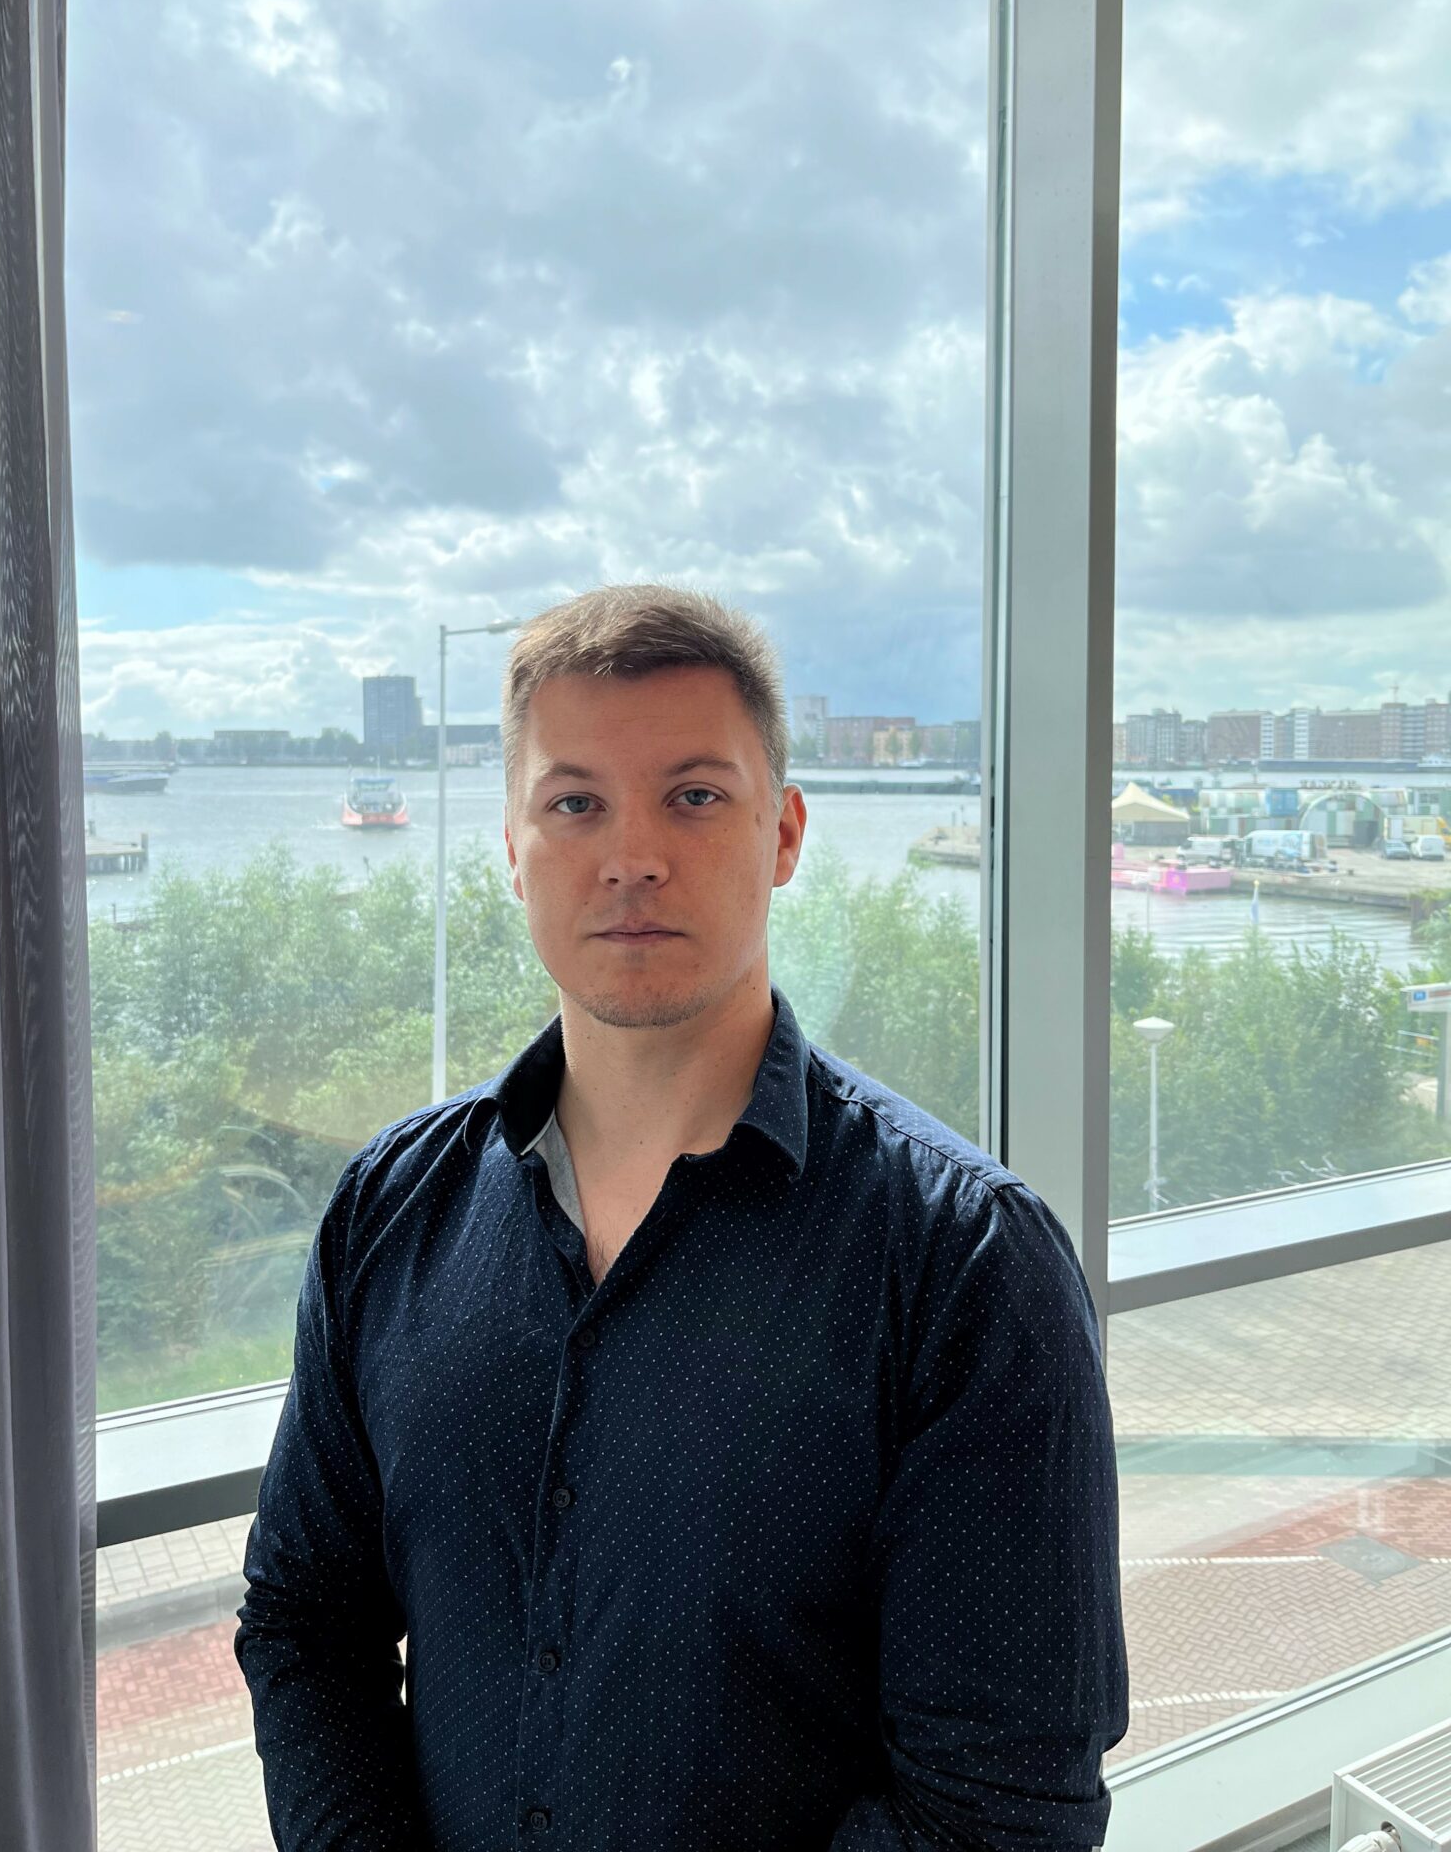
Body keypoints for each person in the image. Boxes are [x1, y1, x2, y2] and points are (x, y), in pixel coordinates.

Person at [233, 582, 1130, 1851]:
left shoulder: (963, 1263)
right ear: (512, 849)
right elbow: (305, 1618)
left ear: (784, 832)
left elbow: (997, 1805)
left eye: (695, 795)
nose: (632, 854)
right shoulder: (391, 1209)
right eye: (575, 802)